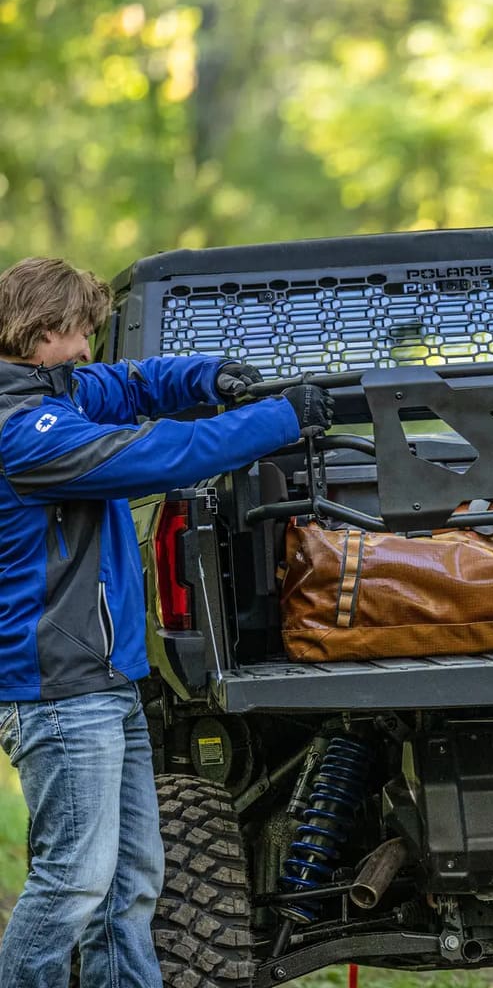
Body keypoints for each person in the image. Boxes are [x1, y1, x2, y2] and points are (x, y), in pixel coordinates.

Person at [0, 256, 334, 988]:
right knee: (73, 884)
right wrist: (278, 418)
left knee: (131, 885)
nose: (89, 347)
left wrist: (209, 377)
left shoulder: (62, 389)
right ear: (41, 328)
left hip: (108, 680)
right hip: (59, 694)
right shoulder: (24, 431)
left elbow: (130, 384)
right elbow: (160, 452)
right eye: (81, 332)